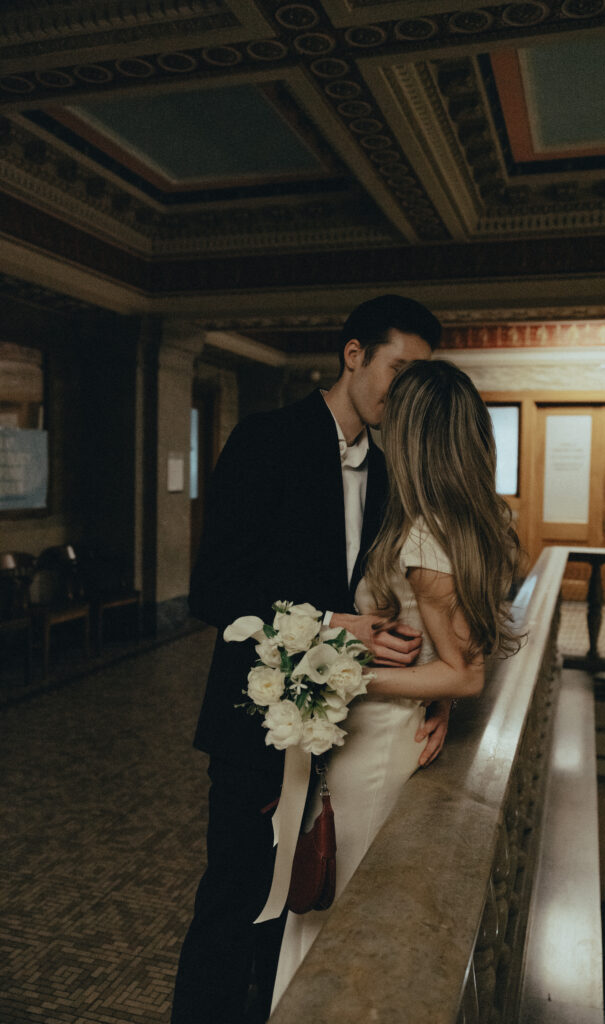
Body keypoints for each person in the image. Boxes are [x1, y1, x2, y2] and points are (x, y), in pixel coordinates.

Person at [171, 295, 448, 1024]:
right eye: (399, 369)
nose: (405, 391)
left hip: (343, 733)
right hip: (255, 724)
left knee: (301, 908)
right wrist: (332, 625)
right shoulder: (266, 439)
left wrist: (438, 694)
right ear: (353, 355)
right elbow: (214, 591)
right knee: (231, 907)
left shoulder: (390, 470)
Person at [271, 359, 521, 1010]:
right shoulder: (457, 522)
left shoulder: (426, 535)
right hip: (382, 731)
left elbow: (464, 672)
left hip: (376, 747)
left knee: (344, 900)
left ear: (414, 436)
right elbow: (452, 653)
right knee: (337, 892)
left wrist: (349, 677)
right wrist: (428, 693)